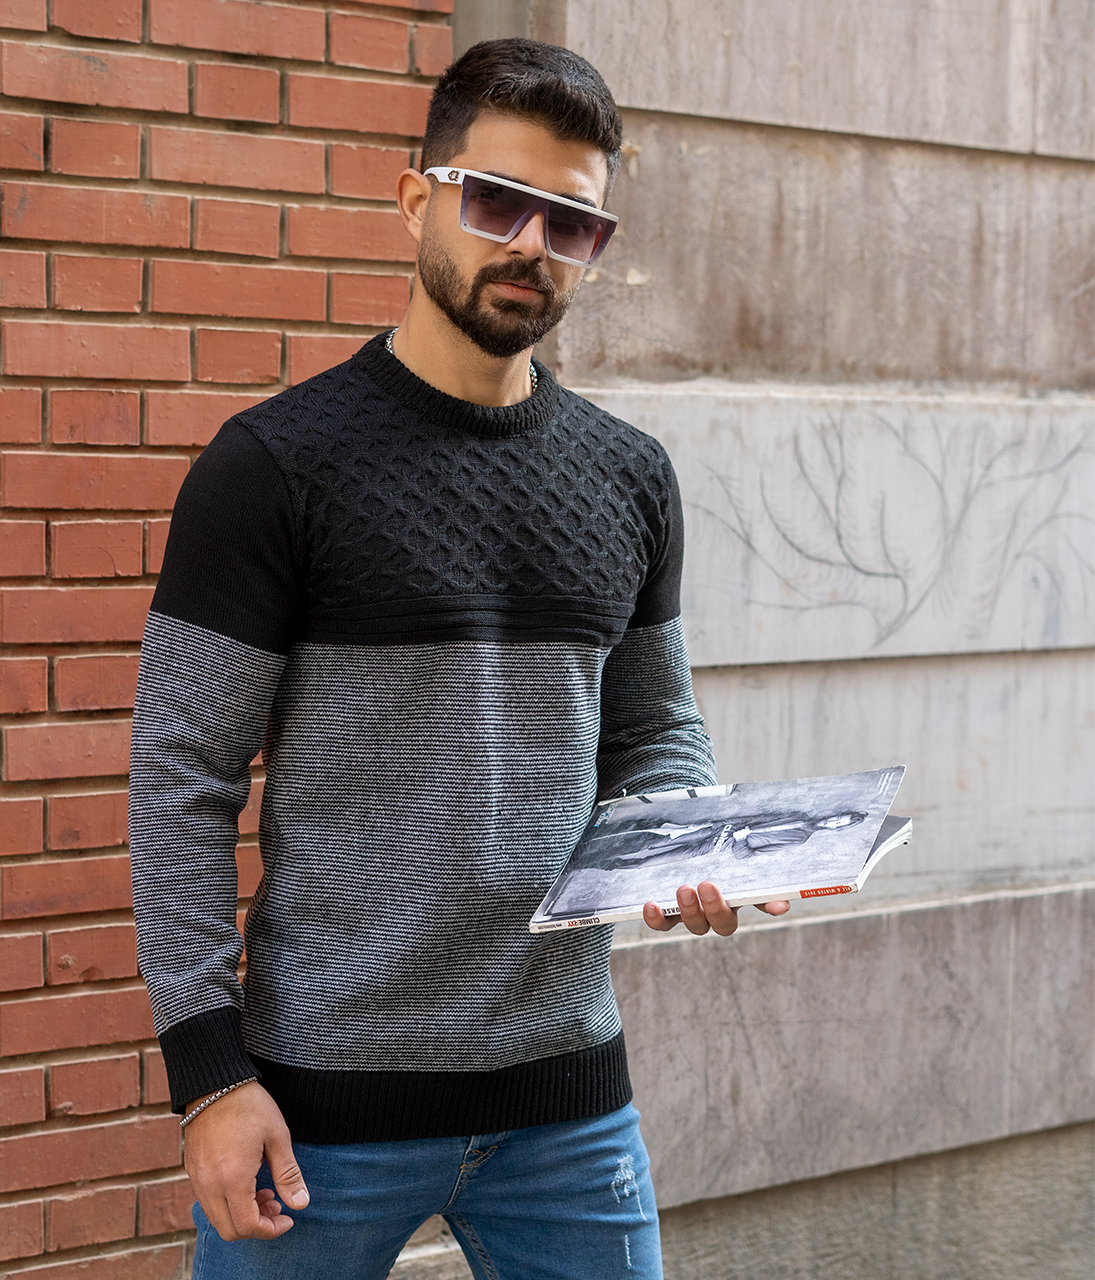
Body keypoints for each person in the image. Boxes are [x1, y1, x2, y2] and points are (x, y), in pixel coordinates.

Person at [129, 37, 788, 1280]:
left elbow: (653, 727)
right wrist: (208, 1075)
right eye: (495, 200)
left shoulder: (628, 476)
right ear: (414, 198)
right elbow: (180, 778)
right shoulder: (270, 468)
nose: (530, 244)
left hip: (566, 1104)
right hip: (320, 1106)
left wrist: (677, 831)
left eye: (570, 221)